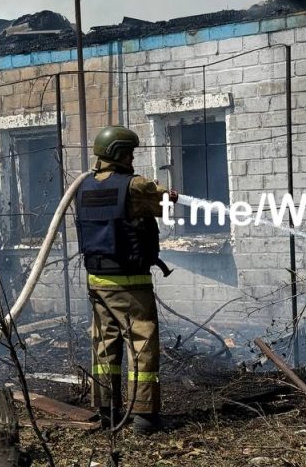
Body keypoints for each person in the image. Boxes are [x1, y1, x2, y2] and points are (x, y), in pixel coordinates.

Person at [74, 125, 178, 434]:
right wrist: (168, 194)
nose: (133, 157)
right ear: (119, 154)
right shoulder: (133, 186)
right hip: (130, 283)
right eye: (130, 152)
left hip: (97, 282)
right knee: (142, 345)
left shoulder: (83, 187)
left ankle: (107, 413)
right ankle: (144, 416)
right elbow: (162, 202)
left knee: (104, 347)